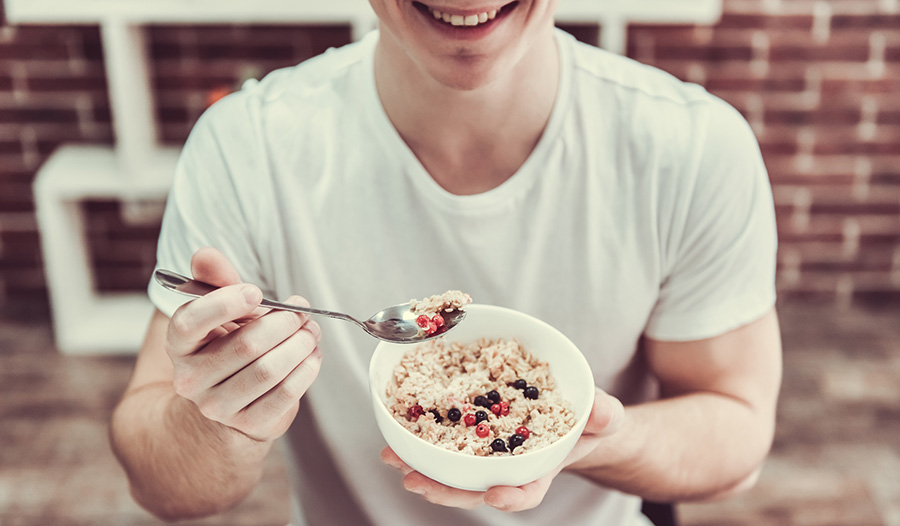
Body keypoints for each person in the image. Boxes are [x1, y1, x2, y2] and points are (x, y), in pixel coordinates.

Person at [109, 0, 783, 524]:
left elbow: (738, 429)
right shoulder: (247, 148)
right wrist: (217, 418)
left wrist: (595, 439)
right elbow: (157, 481)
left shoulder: (691, 148)